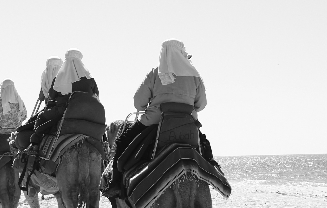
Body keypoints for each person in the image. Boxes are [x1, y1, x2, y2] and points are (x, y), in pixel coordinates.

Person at [104, 39, 211, 198]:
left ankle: (116, 184)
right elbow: (201, 104)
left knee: (121, 142)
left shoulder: (156, 73)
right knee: (206, 146)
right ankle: (213, 173)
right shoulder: (194, 75)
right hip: (188, 124)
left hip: (154, 122)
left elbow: (138, 103)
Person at [26, 49, 99, 152]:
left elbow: (52, 95)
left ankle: (35, 145)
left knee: (41, 119)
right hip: (87, 112)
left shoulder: (59, 78)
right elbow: (96, 95)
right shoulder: (90, 79)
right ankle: (105, 148)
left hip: (63, 110)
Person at [15, 57, 63, 136]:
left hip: (50, 108)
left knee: (34, 121)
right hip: (66, 107)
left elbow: (41, 97)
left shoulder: (46, 76)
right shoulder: (66, 76)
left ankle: (33, 141)